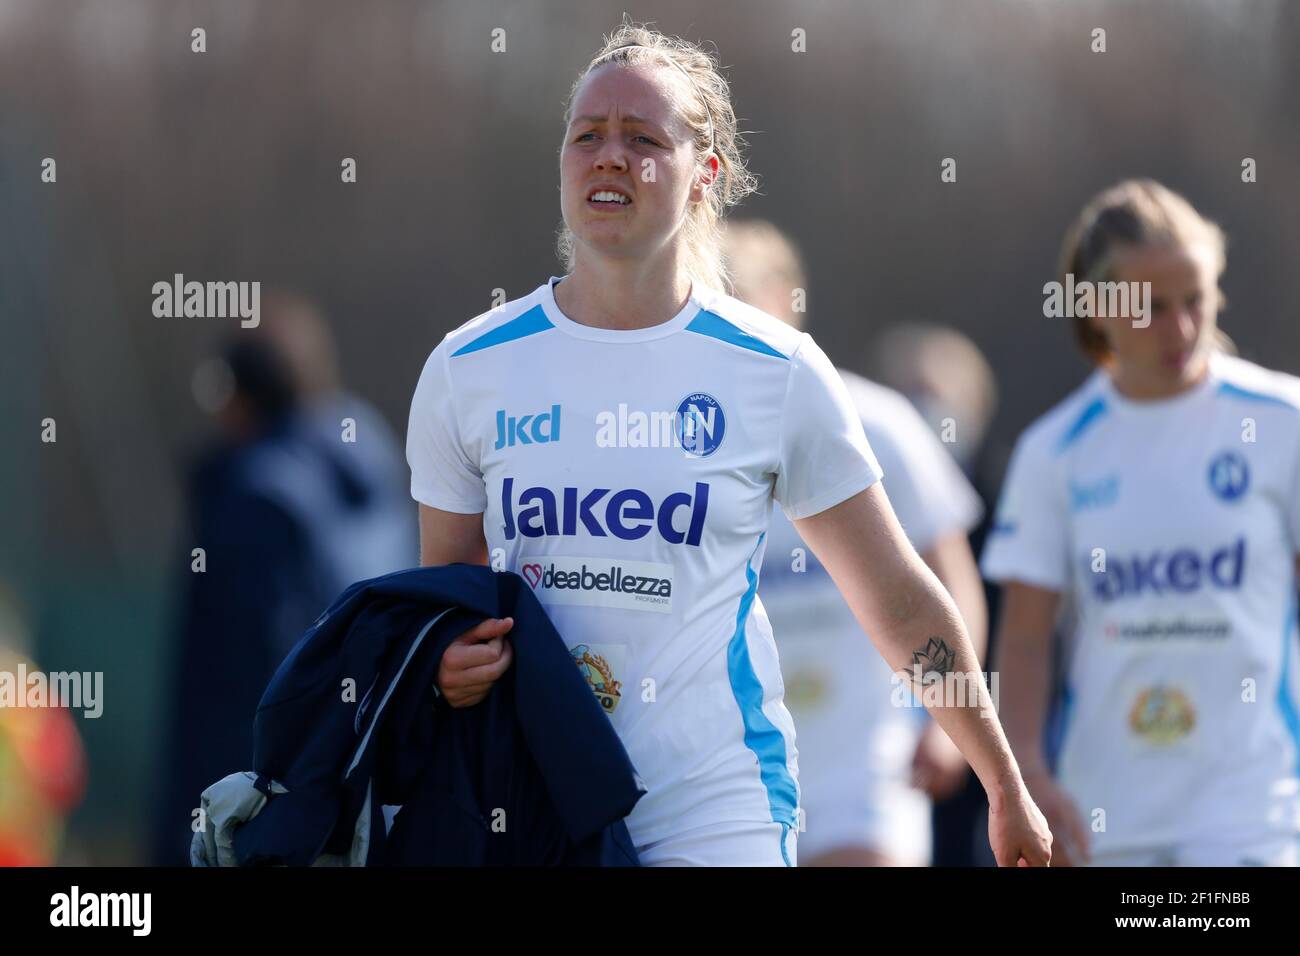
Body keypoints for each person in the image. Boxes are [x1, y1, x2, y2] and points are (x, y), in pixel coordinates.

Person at [406, 19, 1050, 867]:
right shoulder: (469, 366)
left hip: (718, 807)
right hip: (536, 799)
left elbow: (896, 598)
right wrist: (444, 659)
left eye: (643, 138)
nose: (609, 156)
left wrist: (1002, 781)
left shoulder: (775, 369)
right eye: (586, 136)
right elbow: (446, 603)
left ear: (704, 175)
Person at [983, 179, 1300, 866]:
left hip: (1255, 815)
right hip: (1106, 817)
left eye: (1196, 300)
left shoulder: (1282, 423)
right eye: (1153, 308)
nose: (1183, 328)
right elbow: (1027, 640)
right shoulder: (1055, 451)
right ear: (1096, 309)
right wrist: (1027, 772)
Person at [722, 219, 986, 866]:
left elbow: (951, 581)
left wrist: (952, 727)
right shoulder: (684, 441)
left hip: (867, 774)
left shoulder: (875, 422)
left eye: (738, 301)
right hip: (730, 780)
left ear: (784, 298)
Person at [153, 292, 415, 864]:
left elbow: (244, 686)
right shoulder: (371, 463)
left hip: (269, 813)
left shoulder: (256, 498)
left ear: (239, 397)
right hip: (366, 794)